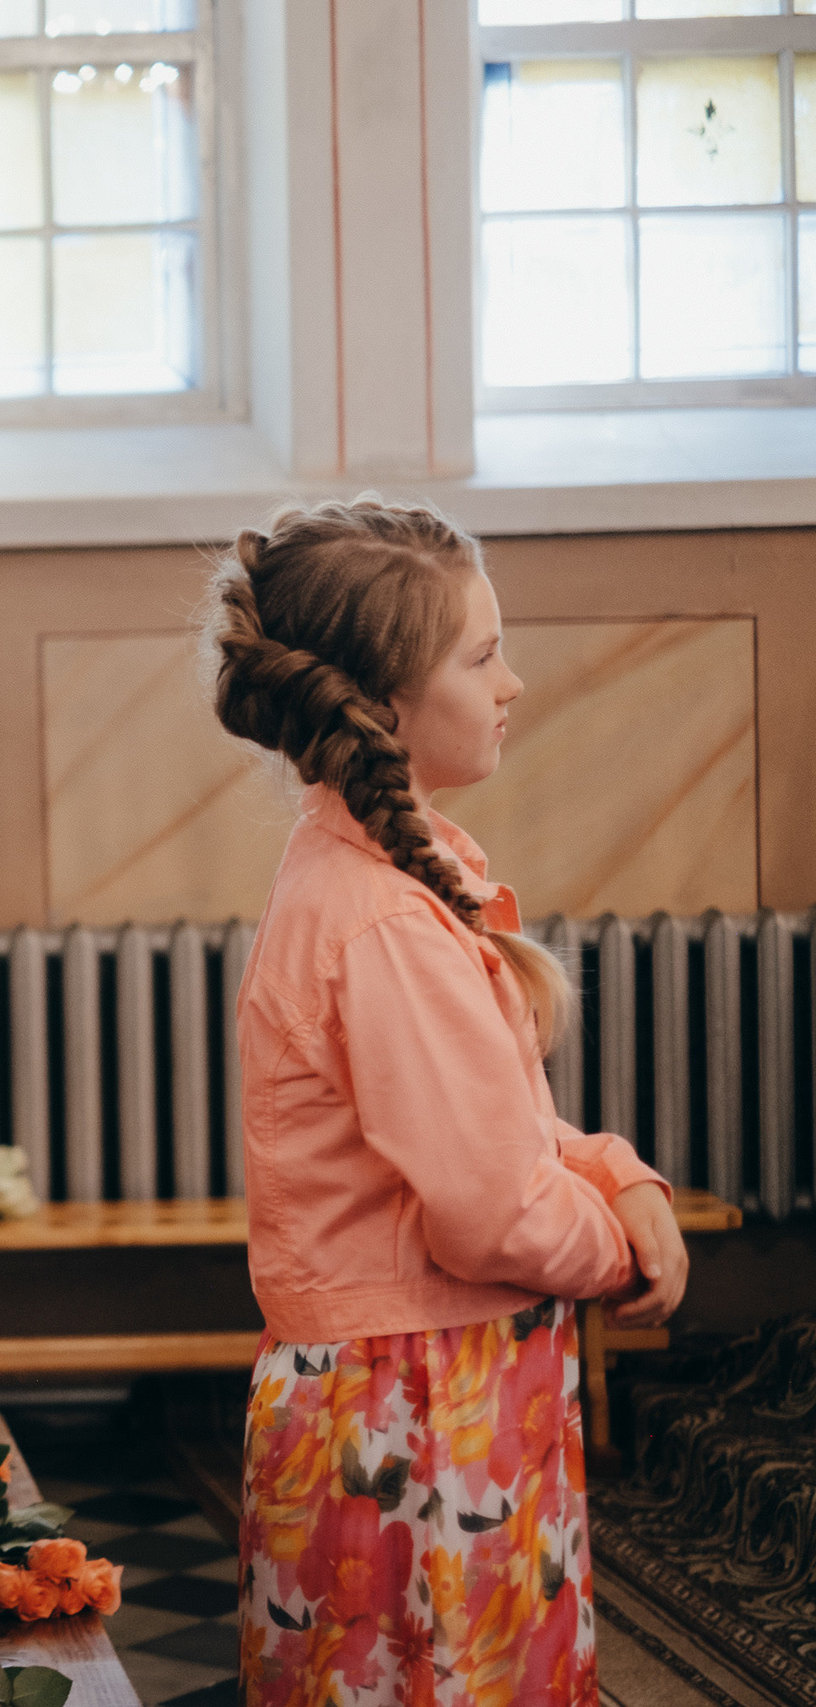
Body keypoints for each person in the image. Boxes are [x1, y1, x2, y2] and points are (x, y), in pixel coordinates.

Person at [204, 498, 689, 1706]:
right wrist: (616, 1248)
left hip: (434, 1388)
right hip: (412, 1421)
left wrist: (615, 1171)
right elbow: (490, 1213)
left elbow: (494, 1133)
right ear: (384, 705)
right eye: (479, 657)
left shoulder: (387, 870)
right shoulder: (377, 922)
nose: (513, 681)